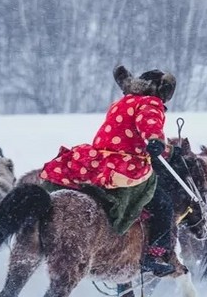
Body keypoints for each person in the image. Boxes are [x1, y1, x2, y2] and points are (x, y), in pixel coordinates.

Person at [39, 64, 177, 277]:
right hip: (124, 167)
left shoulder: (122, 102)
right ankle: (154, 255)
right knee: (164, 205)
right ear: (160, 90)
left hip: (97, 160)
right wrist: (156, 141)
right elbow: (149, 124)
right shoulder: (151, 103)